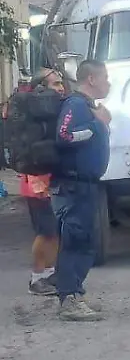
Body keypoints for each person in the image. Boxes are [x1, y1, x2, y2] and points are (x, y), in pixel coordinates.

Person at [51, 59, 111, 322]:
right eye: (105, 78)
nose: (108, 83)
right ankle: (68, 299)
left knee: (86, 242)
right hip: (74, 184)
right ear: (91, 79)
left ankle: (76, 292)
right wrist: (97, 126)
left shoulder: (87, 106)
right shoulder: (75, 104)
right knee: (74, 240)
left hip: (87, 183)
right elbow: (63, 136)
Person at [7, 69, 67, 296]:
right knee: (46, 231)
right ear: (41, 87)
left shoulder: (45, 109)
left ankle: (49, 275)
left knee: (53, 231)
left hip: (45, 181)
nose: (61, 88)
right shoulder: (37, 109)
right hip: (37, 183)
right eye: (56, 84)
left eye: (62, 83)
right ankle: (37, 278)